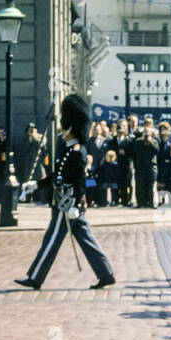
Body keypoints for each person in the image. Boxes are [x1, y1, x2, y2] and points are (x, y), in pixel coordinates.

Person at [16, 94, 116, 291]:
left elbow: (80, 182)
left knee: (51, 239)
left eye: (64, 127)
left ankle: (36, 277)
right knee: (86, 239)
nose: (61, 131)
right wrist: (35, 185)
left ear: (71, 128)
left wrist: (77, 205)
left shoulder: (77, 152)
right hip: (64, 202)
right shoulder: (69, 150)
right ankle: (105, 273)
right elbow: (57, 177)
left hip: (67, 204)